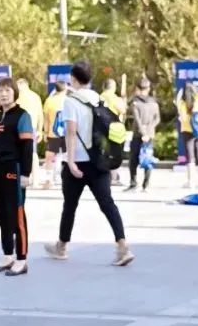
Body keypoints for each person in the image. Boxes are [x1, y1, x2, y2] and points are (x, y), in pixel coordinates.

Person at [45, 60, 134, 266]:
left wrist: (70, 162)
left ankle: (62, 247)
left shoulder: (70, 101)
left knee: (69, 206)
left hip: (78, 161)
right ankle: (123, 247)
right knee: (107, 204)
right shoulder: (98, 99)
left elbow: (70, 132)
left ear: (73, 79)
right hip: (99, 161)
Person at [0, 77, 33, 277]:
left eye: (7, 90)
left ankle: (21, 259)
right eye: (0, 91)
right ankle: (8, 256)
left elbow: (27, 147)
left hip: (14, 169)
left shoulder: (22, 116)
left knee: (17, 214)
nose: (4, 94)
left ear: (15, 92)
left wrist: (26, 173)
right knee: (3, 214)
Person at [126, 78, 160, 192]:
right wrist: (149, 131)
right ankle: (146, 185)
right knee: (147, 158)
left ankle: (133, 183)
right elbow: (157, 119)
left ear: (137, 88)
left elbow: (137, 120)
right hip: (149, 135)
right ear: (148, 88)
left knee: (133, 158)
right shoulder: (154, 102)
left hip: (138, 134)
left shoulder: (135, 102)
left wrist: (143, 132)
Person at [178, 83, 198, 189]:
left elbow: (183, 118)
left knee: (190, 157)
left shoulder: (183, 103)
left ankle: (191, 181)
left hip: (187, 131)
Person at [41, 82, 68, 189]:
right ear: (65, 89)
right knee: (68, 157)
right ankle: (68, 180)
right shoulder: (69, 100)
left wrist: (45, 132)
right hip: (67, 134)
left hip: (53, 132)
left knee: (49, 157)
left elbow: (46, 119)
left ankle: (49, 180)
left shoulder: (49, 101)